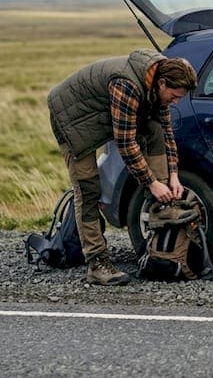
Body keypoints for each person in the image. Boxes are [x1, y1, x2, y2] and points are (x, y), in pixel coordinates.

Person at [47, 50, 197, 285]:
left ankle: (163, 204)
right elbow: (125, 143)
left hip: (102, 114)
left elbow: (166, 132)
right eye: (174, 95)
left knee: (155, 130)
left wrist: (173, 176)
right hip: (72, 120)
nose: (176, 101)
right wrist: (152, 182)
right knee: (88, 189)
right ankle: (97, 263)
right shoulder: (126, 84)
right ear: (161, 83)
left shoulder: (157, 86)